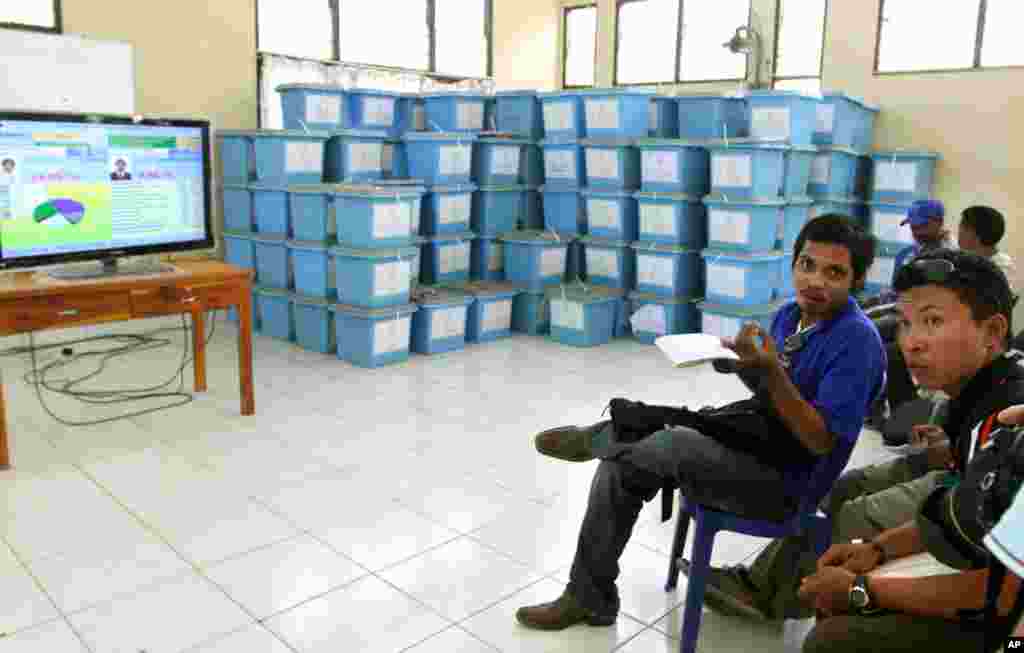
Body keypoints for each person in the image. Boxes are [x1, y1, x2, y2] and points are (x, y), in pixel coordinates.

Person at [515, 215, 886, 631]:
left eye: (834, 272)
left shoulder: (857, 341)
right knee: (621, 465)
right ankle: (589, 596)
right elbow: (772, 397)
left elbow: (819, 441)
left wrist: (771, 373)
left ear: (856, 281)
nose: (815, 281)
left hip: (788, 482)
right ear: (794, 263)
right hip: (760, 440)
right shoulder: (789, 317)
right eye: (807, 264)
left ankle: (604, 437)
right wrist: (745, 367)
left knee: (673, 443)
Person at [706, 249, 1024, 652]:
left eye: (933, 321)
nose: (912, 342)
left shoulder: (1009, 425)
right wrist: (878, 549)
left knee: (830, 641)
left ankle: (768, 593)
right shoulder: (973, 398)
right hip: (987, 572)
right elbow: (955, 510)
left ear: (992, 334)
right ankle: (766, 588)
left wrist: (863, 590)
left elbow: (1002, 595)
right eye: (907, 324)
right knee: (843, 506)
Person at [958, 205, 1015, 293]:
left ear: (976, 235)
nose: (959, 233)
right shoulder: (970, 257)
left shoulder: (1000, 269)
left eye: (963, 228)